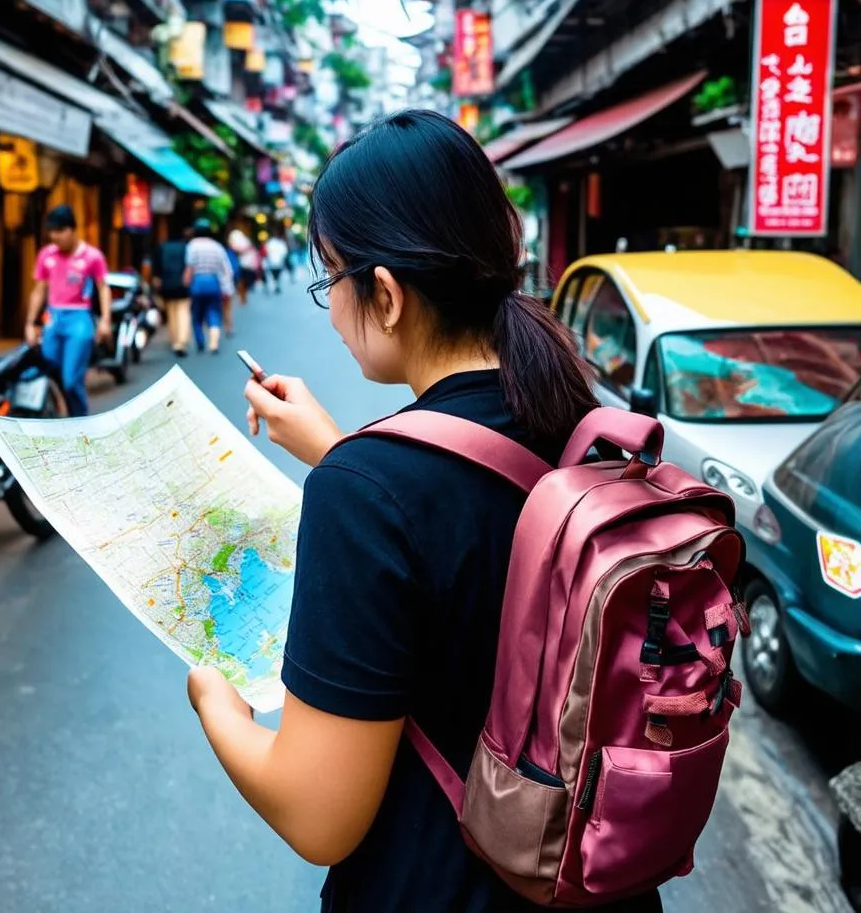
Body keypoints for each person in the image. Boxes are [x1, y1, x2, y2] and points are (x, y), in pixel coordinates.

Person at [188, 111, 661, 912]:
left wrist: (212, 695)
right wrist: (340, 454)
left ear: (384, 292)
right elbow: (475, 526)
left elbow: (318, 816)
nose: (330, 310)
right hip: (592, 879)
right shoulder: (569, 407)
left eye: (330, 279)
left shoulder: (368, 491)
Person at [25, 204, 111, 416]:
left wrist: (105, 320)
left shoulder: (92, 256)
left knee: (71, 380)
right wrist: (30, 323)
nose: (55, 237)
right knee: (48, 371)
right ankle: (60, 419)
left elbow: (103, 288)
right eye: (51, 232)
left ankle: (81, 424)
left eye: (60, 231)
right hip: (53, 318)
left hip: (79, 318)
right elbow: (39, 290)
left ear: (72, 229)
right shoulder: (46, 255)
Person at [184, 218, 234, 355]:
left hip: (198, 283)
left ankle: (200, 341)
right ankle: (214, 342)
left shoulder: (192, 246)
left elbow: (190, 267)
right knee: (214, 312)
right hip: (213, 282)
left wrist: (186, 282)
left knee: (197, 315)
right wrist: (226, 286)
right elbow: (226, 269)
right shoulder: (217, 247)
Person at [151, 222, 192, 359]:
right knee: (183, 312)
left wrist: (157, 281)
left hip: (167, 284)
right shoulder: (186, 248)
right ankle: (181, 342)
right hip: (182, 285)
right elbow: (190, 266)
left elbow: (156, 267)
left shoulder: (162, 247)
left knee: (171, 313)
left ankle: (175, 341)